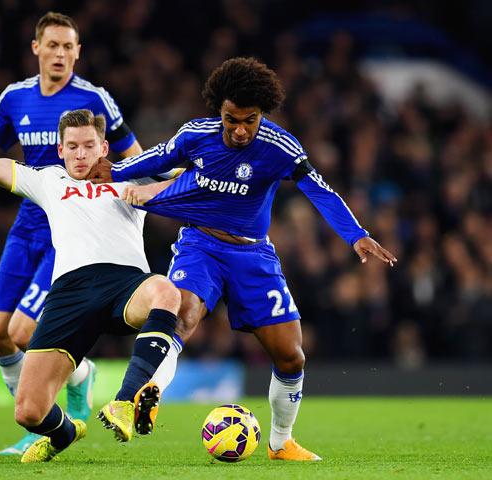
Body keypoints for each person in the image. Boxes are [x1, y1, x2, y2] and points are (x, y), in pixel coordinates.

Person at [88, 57, 398, 461]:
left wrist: (356, 235)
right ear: (219, 108)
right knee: (182, 314)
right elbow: (155, 161)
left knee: (291, 355)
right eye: (231, 119)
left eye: (248, 121)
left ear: (262, 115)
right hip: (200, 246)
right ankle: (143, 398)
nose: (238, 130)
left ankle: (280, 442)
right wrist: (114, 172)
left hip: (253, 254)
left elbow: (320, 190)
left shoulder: (280, 147)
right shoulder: (195, 136)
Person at [0, 91, 178, 462]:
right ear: (60, 150)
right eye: (73, 146)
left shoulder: (131, 174)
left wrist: (153, 189)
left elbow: (197, 172)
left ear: (104, 147)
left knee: (166, 290)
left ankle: (126, 398)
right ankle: (65, 432)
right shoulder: (48, 180)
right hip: (69, 292)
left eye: (89, 145)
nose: (81, 154)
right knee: (28, 411)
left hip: (126, 285)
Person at [0, 12, 143, 454]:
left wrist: (127, 198)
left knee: (25, 331)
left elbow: (135, 156)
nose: (61, 54)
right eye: (53, 45)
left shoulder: (95, 99)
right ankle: (77, 379)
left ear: (78, 52)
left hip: (72, 230)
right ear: (36, 48)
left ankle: (46, 413)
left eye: (69, 47)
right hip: (28, 224)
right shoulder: (14, 97)